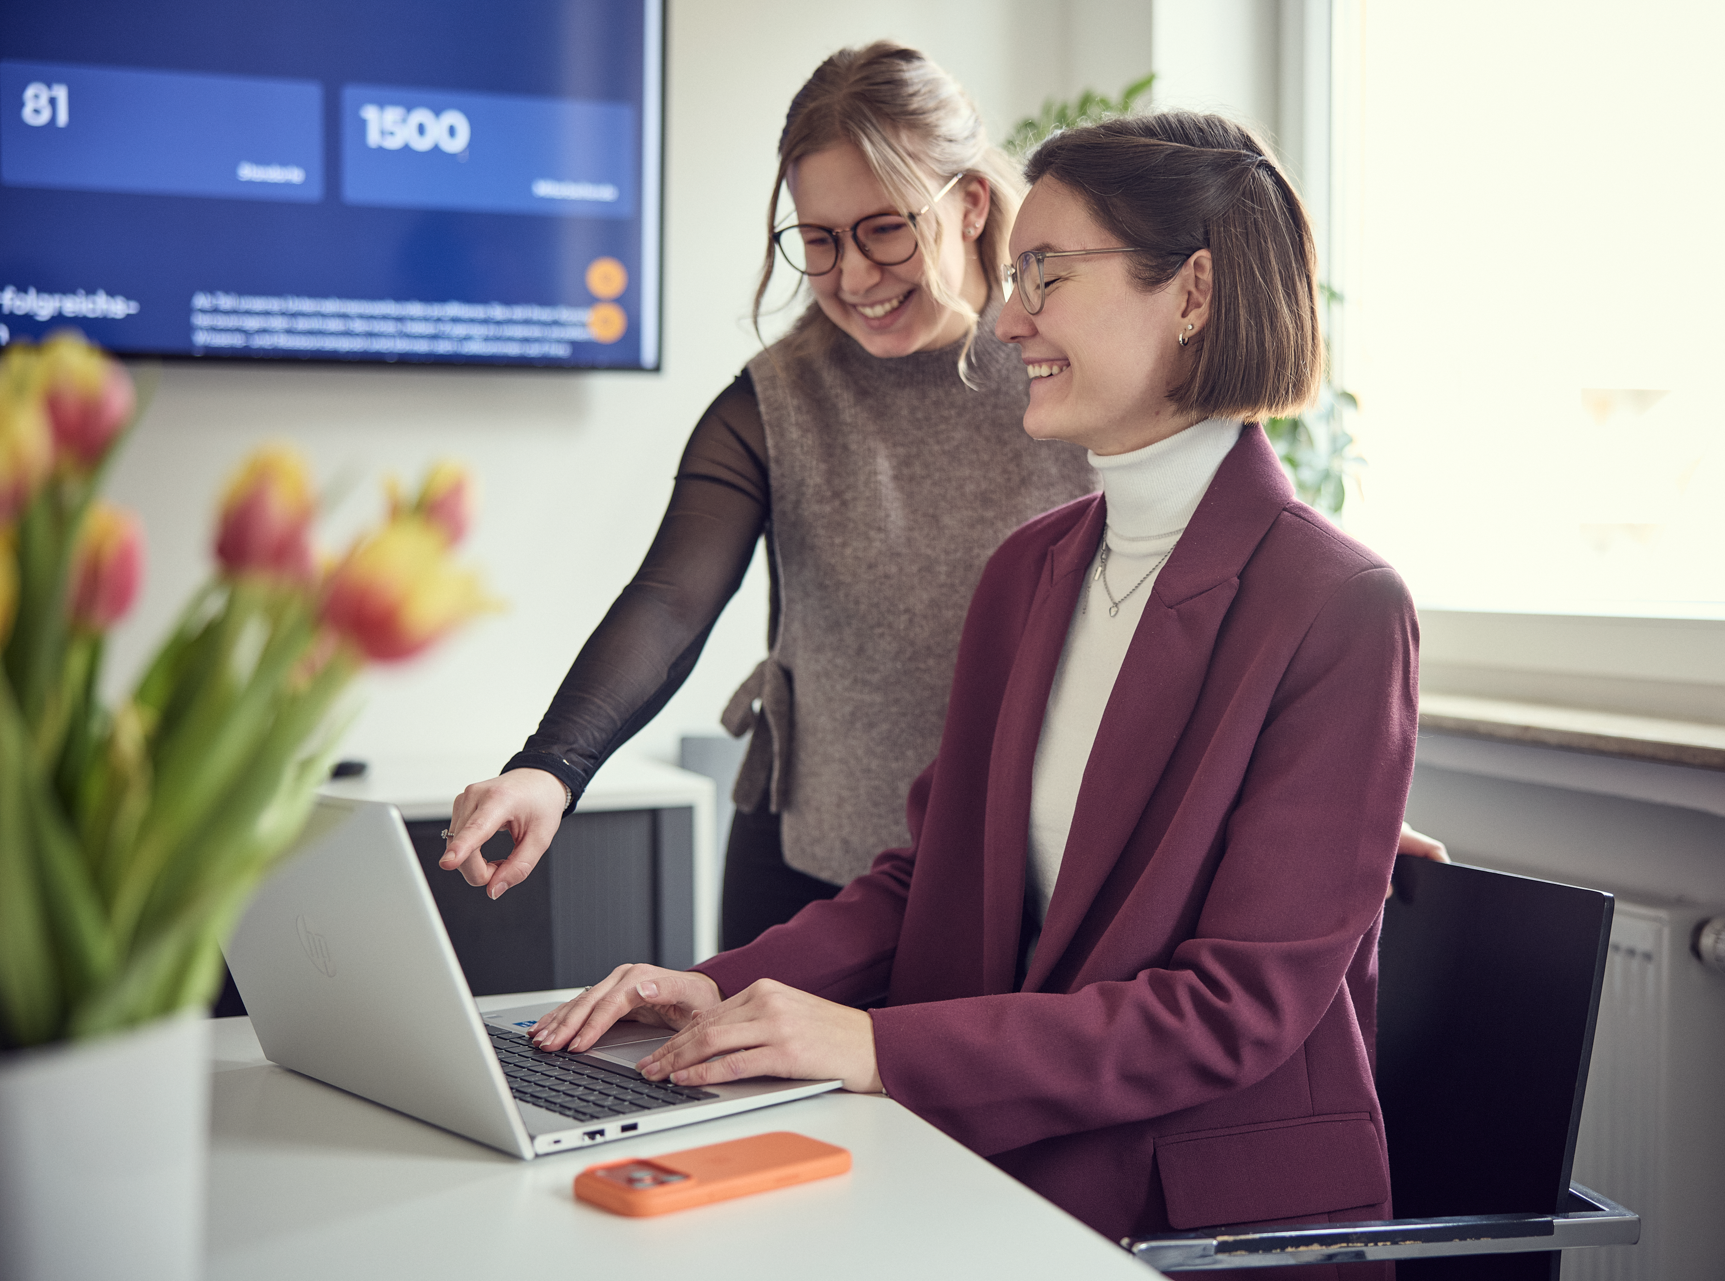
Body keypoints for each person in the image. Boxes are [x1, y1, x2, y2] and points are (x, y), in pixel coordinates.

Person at [530, 111, 1418, 1265]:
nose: (1007, 319)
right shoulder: (1033, 569)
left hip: (1195, 1219)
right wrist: (719, 988)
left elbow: (1230, 1013)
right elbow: (930, 876)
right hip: (1001, 1159)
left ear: (1192, 292)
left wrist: (877, 1049)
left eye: (1043, 274)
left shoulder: (1339, 603)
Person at [436, 43, 1445, 951]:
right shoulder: (778, 404)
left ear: (966, 203)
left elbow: (1247, 575)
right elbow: (669, 601)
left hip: (1030, 867)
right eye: (818, 240)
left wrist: (1300, 801)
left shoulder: (1084, 374)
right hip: (826, 867)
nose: (853, 274)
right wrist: (552, 765)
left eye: (884, 229)